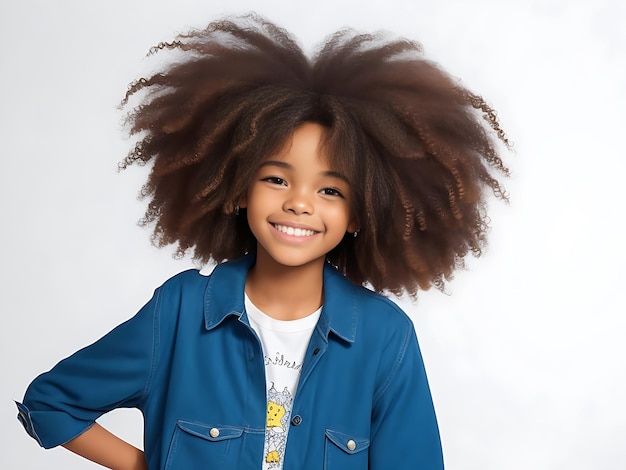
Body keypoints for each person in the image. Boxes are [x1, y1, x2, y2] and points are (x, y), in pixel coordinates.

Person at [16, 13, 509, 470]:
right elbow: (52, 403)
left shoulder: (385, 339)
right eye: (277, 179)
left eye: (330, 190)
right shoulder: (182, 311)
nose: (299, 203)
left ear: (358, 214)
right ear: (239, 189)